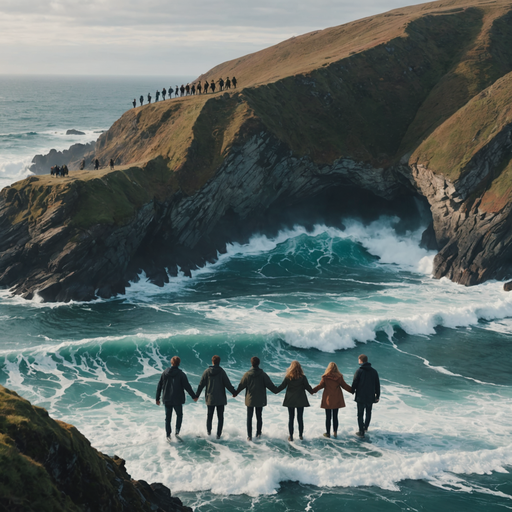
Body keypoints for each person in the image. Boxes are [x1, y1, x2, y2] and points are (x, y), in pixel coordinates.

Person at [235, 356, 279, 441]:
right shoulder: (263, 374)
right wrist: (277, 390)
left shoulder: (247, 374)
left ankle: (249, 436)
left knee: (249, 417)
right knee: (259, 417)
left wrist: (235, 393)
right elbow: (270, 386)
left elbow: (241, 386)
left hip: (250, 400)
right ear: (258, 363)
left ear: (251, 364)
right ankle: (258, 434)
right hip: (260, 400)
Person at [156, 356, 198, 438]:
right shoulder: (181, 374)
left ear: (171, 362)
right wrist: (194, 396)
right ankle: (177, 433)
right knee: (179, 415)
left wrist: (157, 398)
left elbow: (159, 385)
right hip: (177, 399)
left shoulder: (165, 372)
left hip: (167, 398)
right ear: (179, 363)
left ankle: (168, 435)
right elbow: (187, 386)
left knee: (168, 418)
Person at [196, 355, 236, 439]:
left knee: (209, 416)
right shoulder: (222, 372)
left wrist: (196, 396)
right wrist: (234, 392)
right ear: (219, 362)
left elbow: (201, 385)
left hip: (210, 398)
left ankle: (209, 433)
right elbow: (227, 384)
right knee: (220, 417)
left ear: (212, 361)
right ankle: (218, 435)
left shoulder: (207, 372)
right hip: (220, 398)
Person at [276, 360, 314, 441]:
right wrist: (314, 390)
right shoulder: (303, 378)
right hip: (300, 400)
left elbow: (281, 387)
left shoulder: (288, 377)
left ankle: (291, 436)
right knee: (300, 418)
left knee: (291, 418)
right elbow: (308, 387)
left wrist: (274, 390)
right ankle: (300, 436)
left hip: (290, 400)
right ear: (300, 368)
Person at [312, 362, 352, 439]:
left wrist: (312, 391)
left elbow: (320, 386)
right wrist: (352, 390)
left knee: (328, 417)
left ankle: (327, 433)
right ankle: (335, 432)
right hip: (337, 399)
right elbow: (345, 386)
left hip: (328, 400)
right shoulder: (339, 377)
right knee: (335, 416)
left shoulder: (325, 377)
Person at [351, 354, 380, 438]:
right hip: (370, 396)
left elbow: (355, 382)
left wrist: (352, 391)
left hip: (361, 396)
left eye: (358, 359)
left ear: (361, 360)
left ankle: (361, 431)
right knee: (368, 412)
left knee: (360, 414)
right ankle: (366, 427)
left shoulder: (359, 371)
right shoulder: (374, 371)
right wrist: (377, 395)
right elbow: (377, 384)